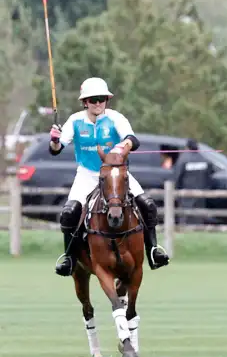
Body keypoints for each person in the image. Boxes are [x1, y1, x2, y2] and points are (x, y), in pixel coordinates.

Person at [49, 77, 170, 276]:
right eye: (93, 99)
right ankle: (69, 258)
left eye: (102, 99)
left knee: (147, 205)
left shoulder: (115, 118)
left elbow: (132, 139)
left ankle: (153, 251)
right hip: (87, 174)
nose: (98, 103)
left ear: (107, 100)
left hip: (115, 173)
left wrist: (121, 148)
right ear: (85, 102)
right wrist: (54, 139)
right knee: (69, 212)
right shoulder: (76, 121)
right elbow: (56, 149)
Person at [173, 138, 213, 225]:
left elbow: (177, 176)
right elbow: (209, 176)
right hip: (200, 193)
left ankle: (184, 229)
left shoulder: (183, 159)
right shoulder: (204, 159)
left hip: (185, 193)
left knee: (185, 215)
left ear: (187, 147)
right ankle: (197, 229)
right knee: (198, 215)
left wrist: (176, 190)